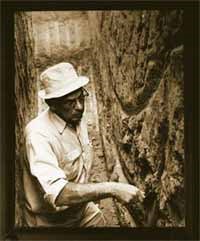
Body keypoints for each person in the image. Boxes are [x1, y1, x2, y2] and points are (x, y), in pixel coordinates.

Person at [23, 62, 145, 227]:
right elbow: (59, 194)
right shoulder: (38, 135)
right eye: (70, 102)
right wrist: (113, 189)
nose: (79, 107)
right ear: (52, 104)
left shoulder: (76, 117)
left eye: (81, 98)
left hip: (82, 209)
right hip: (52, 222)